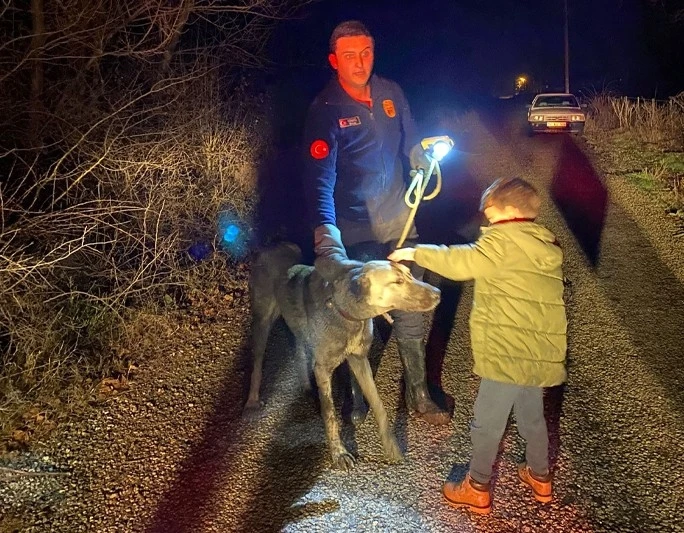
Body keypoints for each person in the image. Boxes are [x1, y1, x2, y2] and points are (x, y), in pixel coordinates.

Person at [388, 177, 567, 514]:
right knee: (532, 416)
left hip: (506, 351)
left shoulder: (502, 243)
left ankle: (478, 485)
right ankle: (540, 476)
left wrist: (414, 252)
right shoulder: (544, 244)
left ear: (510, 211)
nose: (485, 215)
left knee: (487, 421)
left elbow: (460, 261)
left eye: (491, 208)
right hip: (538, 351)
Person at [301, 20, 449, 425]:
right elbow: (319, 181)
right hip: (354, 233)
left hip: (400, 222)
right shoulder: (324, 111)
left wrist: (424, 156)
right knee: (354, 316)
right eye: (350, 55)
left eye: (365, 52)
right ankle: (352, 398)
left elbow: (411, 141)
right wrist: (325, 236)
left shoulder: (391, 93)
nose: (360, 62)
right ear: (334, 60)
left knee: (410, 309)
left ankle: (418, 393)